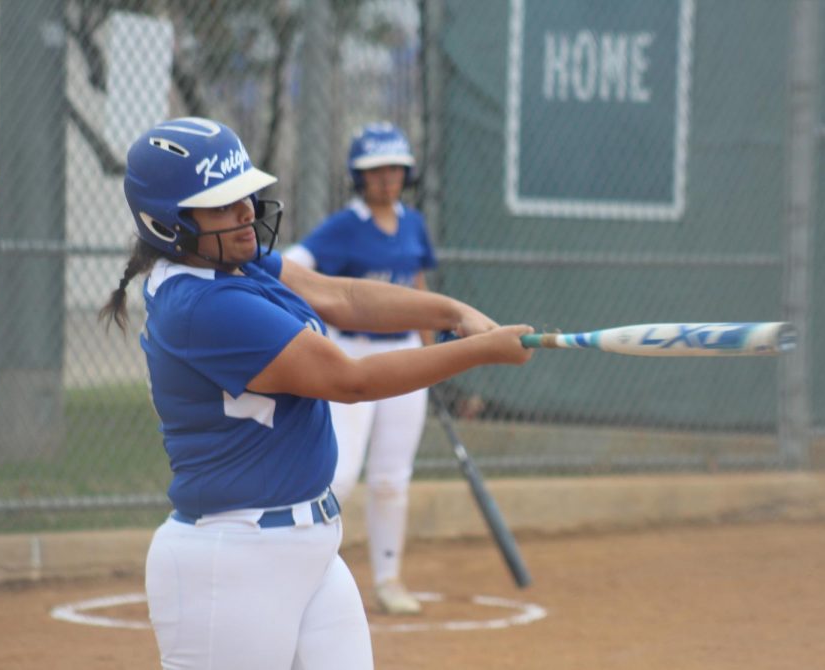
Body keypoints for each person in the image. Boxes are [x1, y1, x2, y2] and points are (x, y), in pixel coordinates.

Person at [99, 116, 533, 670]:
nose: (246, 214)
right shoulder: (204, 307)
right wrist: (480, 351)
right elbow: (350, 381)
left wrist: (453, 313)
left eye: (245, 196)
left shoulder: (237, 262)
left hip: (312, 547)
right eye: (222, 204)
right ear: (168, 224)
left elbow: (342, 297)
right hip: (232, 562)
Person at [284, 122, 435, 615]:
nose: (387, 178)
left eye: (394, 168)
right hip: (352, 355)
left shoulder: (413, 223)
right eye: (375, 170)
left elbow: (417, 286)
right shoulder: (344, 225)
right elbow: (292, 265)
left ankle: (389, 579)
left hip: (406, 353)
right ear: (359, 176)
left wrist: (429, 356)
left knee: (392, 477)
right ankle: (297, 575)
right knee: (341, 476)